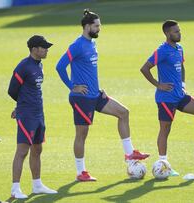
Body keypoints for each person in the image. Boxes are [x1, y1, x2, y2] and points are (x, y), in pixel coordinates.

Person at [56, 9, 149, 182]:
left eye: (100, 26)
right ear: (87, 26)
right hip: (81, 98)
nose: (99, 29)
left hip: (95, 95)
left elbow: (89, 71)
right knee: (82, 134)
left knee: (123, 112)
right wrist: (72, 87)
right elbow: (60, 66)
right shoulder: (77, 45)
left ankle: (130, 154)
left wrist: (98, 88)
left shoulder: (91, 43)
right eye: (97, 26)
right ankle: (80, 172)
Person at [140, 20, 194, 175]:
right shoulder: (162, 50)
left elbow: (182, 66)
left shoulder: (179, 49)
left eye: (179, 30)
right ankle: (163, 163)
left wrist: (183, 83)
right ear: (167, 33)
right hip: (166, 98)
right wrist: (158, 84)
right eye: (176, 31)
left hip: (180, 95)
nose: (179, 33)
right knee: (165, 129)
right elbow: (144, 68)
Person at [8, 35, 57, 198]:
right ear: (34, 49)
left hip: (38, 114)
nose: (47, 50)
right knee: (22, 151)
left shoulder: (39, 65)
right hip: (27, 115)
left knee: (37, 149)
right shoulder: (24, 66)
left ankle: (37, 185)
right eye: (44, 47)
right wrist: (21, 107)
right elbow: (12, 90)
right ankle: (15, 189)